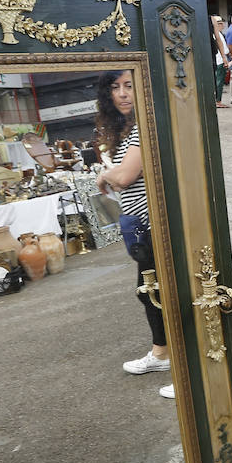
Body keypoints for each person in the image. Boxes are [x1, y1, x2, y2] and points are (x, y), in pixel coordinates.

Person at [94, 70, 174, 399]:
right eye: (116, 87)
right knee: (148, 291)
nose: (123, 94)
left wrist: (105, 174)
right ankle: (162, 354)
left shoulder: (143, 126)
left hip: (157, 224)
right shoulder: (128, 130)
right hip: (143, 225)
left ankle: (185, 366)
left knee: (164, 293)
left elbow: (125, 176)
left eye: (129, 86)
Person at [211, 15, 230, 109]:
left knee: (219, 82)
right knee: (219, 82)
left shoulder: (219, 34)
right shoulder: (216, 35)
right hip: (219, 60)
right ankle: (218, 100)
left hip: (220, 60)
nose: (222, 26)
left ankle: (218, 100)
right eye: (220, 24)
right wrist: (224, 59)